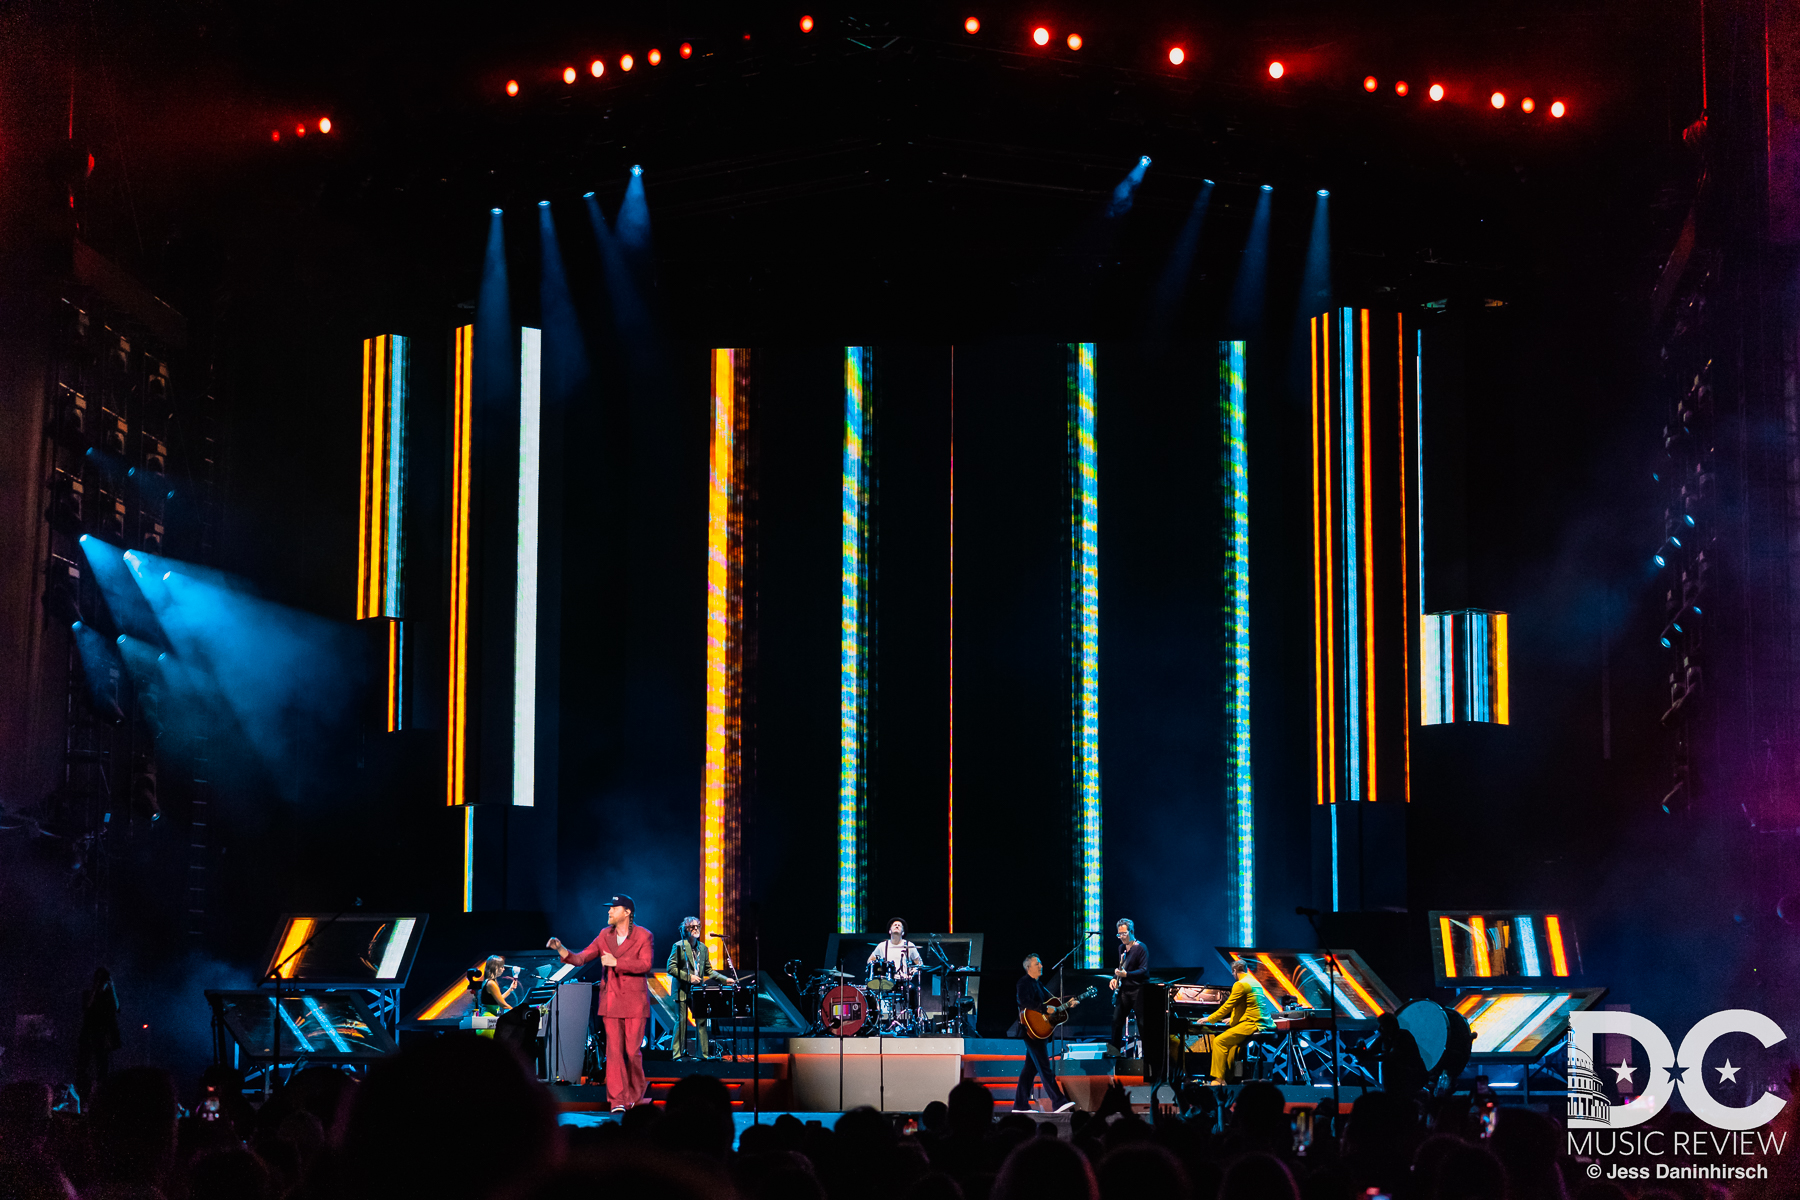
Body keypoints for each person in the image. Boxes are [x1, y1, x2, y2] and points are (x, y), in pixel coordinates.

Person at [549, 894, 654, 1112]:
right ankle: (617, 1101)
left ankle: (634, 1097)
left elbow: (645, 965)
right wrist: (562, 949)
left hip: (634, 1003)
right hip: (611, 1002)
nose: (609, 912)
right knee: (613, 1053)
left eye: (614, 908)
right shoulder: (604, 935)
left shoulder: (644, 936)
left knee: (633, 1052)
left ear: (627, 912)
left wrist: (617, 962)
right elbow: (581, 958)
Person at [1014, 954, 1078, 1114]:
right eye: (1037, 964)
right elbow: (1024, 1002)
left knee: (1029, 1069)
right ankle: (1058, 1101)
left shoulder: (1040, 985)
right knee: (1044, 1067)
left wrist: (1068, 1003)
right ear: (1028, 967)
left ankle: (1020, 1106)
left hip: (1040, 1031)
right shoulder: (1024, 983)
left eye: (1040, 963)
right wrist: (1043, 1009)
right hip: (1031, 1030)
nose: (1041, 966)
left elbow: (1053, 1004)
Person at [1200, 957, 1277, 1083]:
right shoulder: (1254, 982)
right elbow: (1247, 1006)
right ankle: (1228, 1080)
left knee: (1219, 1041)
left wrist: (1210, 1018)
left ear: (1235, 970)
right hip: (1262, 1021)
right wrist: (1232, 1019)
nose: (1232, 975)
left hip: (1253, 1023)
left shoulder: (1240, 984)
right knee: (1231, 1046)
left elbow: (1228, 1006)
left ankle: (1218, 1080)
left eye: (1232, 972)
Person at [665, 916, 730, 1059]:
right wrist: (689, 978)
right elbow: (671, 968)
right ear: (686, 930)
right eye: (692, 927)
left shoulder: (703, 948)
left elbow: (709, 970)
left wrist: (725, 980)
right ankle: (676, 1055)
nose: (696, 929)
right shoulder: (678, 946)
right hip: (681, 990)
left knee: (701, 1021)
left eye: (698, 926)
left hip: (698, 992)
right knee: (681, 1022)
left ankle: (703, 1056)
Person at [76, 966, 121, 1101]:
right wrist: (95, 988)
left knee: (103, 1067)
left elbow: (116, 1007)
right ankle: (84, 1095)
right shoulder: (88, 993)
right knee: (84, 1066)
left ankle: (101, 1095)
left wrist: (112, 988)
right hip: (89, 1035)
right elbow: (87, 1006)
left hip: (103, 1037)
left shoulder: (109, 997)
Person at [1106, 919, 1149, 1056]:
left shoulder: (1140, 948)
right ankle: (1115, 1053)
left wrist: (1126, 974)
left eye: (1123, 934)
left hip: (1138, 990)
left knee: (1142, 1024)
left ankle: (1148, 1057)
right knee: (1116, 1021)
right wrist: (1115, 978)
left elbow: (1144, 970)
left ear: (1131, 931)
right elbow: (1121, 967)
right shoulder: (1121, 948)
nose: (1121, 937)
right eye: (1119, 934)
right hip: (1124, 991)